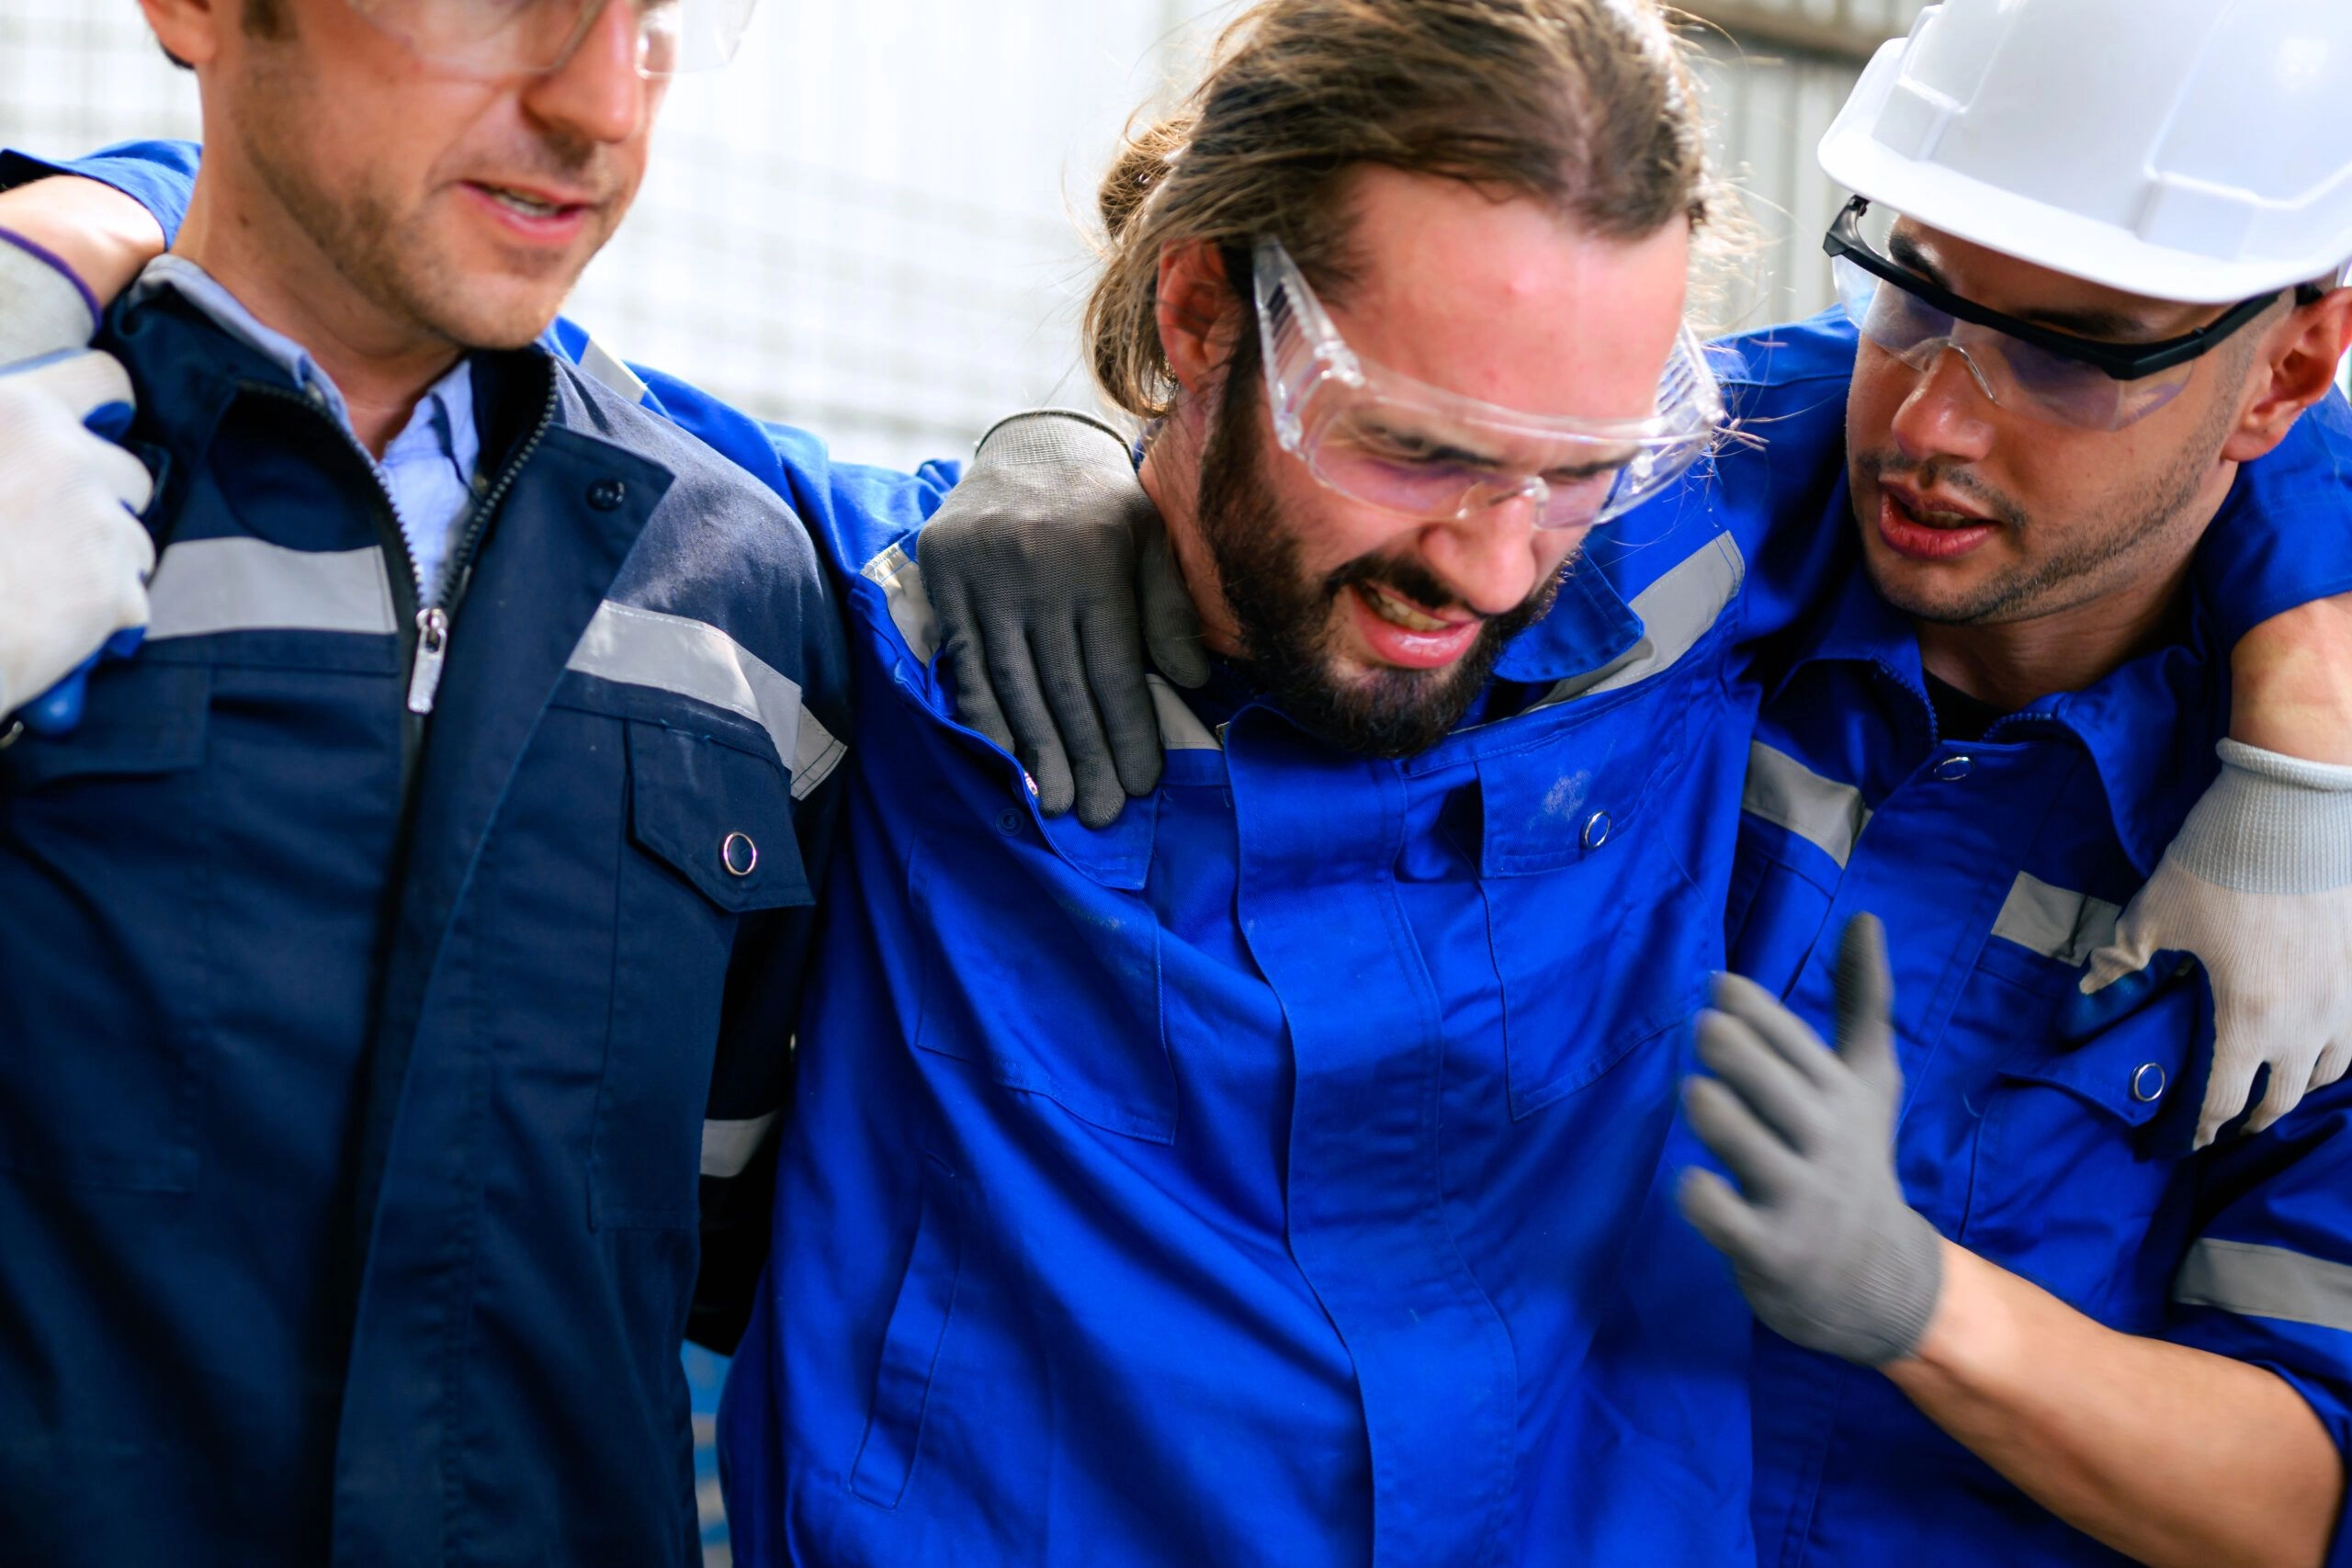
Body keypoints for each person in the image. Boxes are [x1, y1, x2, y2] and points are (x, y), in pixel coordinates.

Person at [9, 2, 2351, 1563]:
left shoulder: (1691, 545)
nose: (1495, 557)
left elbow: (2148, 423)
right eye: (1418, 446)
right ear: (1206, 315)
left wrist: (2308, 730)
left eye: (1572, 469)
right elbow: (359, 249)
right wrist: (42, 255)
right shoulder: (862, 624)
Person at [0, 0, 1105, 1560]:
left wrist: (1065, 444)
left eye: (652, 22)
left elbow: (721, 1229)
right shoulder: (36, 476)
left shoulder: (741, 590)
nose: (601, 102)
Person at [1665, 4, 2352, 1563]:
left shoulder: (2324, 885)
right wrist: (1066, 478)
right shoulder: (1715, 503)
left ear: (2285, 369)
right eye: (1914, 290)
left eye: (2068, 354)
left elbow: (2303, 1488)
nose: (1930, 421)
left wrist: (1918, 1301)